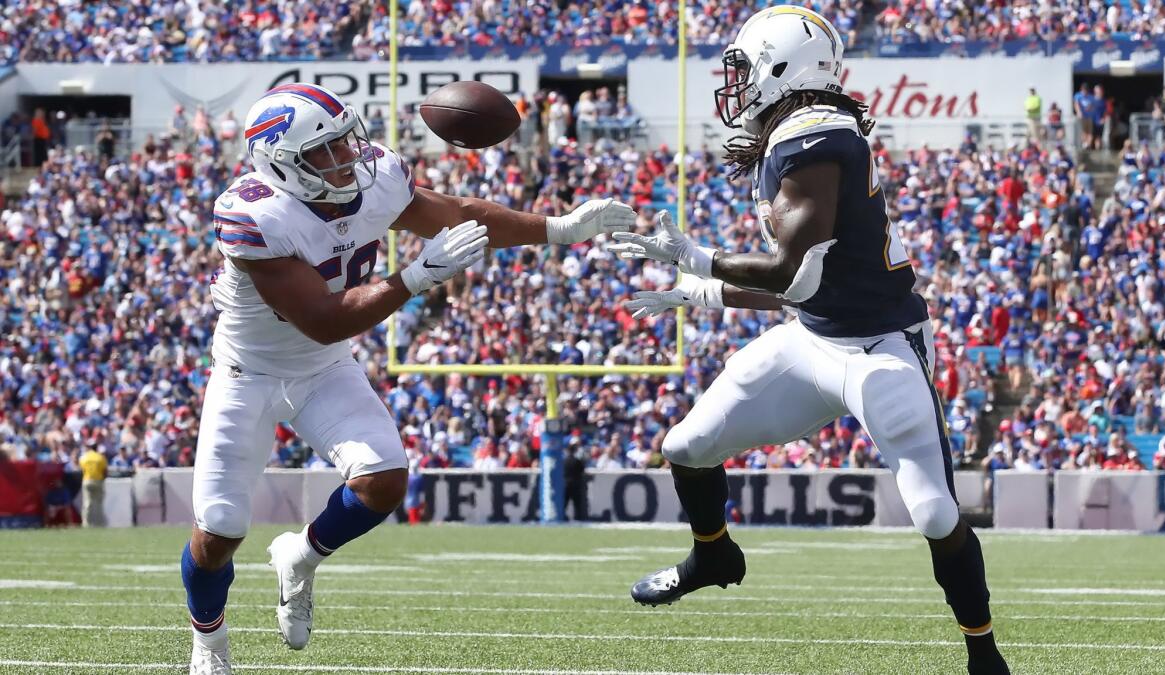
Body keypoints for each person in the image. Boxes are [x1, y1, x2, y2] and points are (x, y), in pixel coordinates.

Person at [184, 82, 634, 675]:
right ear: (282, 163)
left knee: (384, 483)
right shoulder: (253, 215)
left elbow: (462, 216)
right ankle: (210, 644)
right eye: (326, 150)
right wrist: (414, 278)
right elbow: (321, 319)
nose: (347, 157)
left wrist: (557, 228)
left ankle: (300, 554)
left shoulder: (374, 177)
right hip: (250, 371)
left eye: (346, 139)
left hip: (325, 368)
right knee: (218, 532)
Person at [611, 8, 1008, 674]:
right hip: (815, 338)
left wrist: (697, 260)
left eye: (743, 68)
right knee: (686, 445)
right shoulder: (790, 136)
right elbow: (804, 288)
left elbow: (791, 272)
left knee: (937, 513)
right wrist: (697, 292)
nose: (733, 84)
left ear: (780, 66)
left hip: (884, 350)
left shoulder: (817, 137)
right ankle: (714, 553)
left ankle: (984, 653)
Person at [79, 443, 108, 528]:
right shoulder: (100, 457)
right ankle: (100, 523)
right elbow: (105, 471)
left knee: (87, 503)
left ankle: (86, 523)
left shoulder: (84, 457)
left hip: (87, 480)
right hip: (98, 481)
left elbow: (82, 470)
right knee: (99, 503)